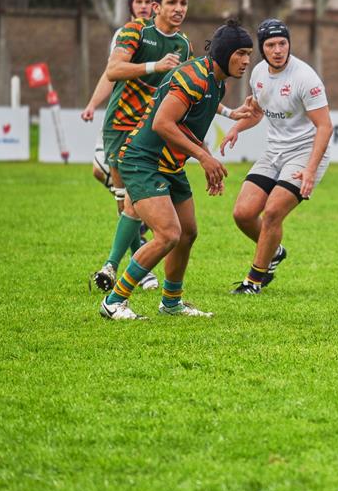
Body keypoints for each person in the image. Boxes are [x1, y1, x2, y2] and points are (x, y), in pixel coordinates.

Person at [99, 18, 259, 320]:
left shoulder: (217, 83)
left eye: (248, 54)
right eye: (241, 53)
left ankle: (171, 302)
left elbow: (188, 126)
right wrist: (203, 157)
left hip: (169, 166)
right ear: (224, 52)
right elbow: (162, 123)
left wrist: (208, 160)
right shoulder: (192, 77)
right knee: (168, 234)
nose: (246, 61)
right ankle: (113, 301)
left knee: (187, 233)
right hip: (142, 161)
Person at [220, 18, 334, 295]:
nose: (278, 49)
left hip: (305, 151)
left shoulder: (304, 78)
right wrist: (237, 127)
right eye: (271, 45)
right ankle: (275, 250)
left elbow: (325, 126)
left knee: (272, 213)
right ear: (262, 48)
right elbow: (258, 111)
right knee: (243, 213)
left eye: (283, 43)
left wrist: (310, 170)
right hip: (274, 151)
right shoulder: (258, 73)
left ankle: (254, 281)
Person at [81, 0, 158, 289]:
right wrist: (92, 104)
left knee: (128, 192)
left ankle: (135, 260)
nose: (142, 7)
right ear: (131, 8)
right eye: (137, 2)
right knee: (103, 174)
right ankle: (137, 242)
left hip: (143, 123)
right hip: (119, 119)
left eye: (146, 2)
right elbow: (110, 72)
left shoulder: (164, 37)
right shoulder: (125, 34)